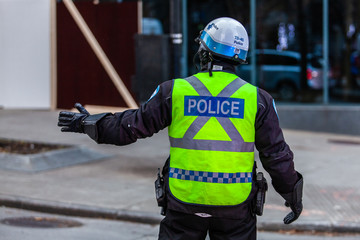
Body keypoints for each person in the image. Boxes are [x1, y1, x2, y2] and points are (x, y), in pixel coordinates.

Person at [58, 17, 303, 240]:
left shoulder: (174, 92)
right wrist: (293, 196)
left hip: (184, 203)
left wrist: (86, 123)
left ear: (205, 52)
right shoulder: (258, 100)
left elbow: (129, 128)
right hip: (236, 207)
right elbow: (276, 155)